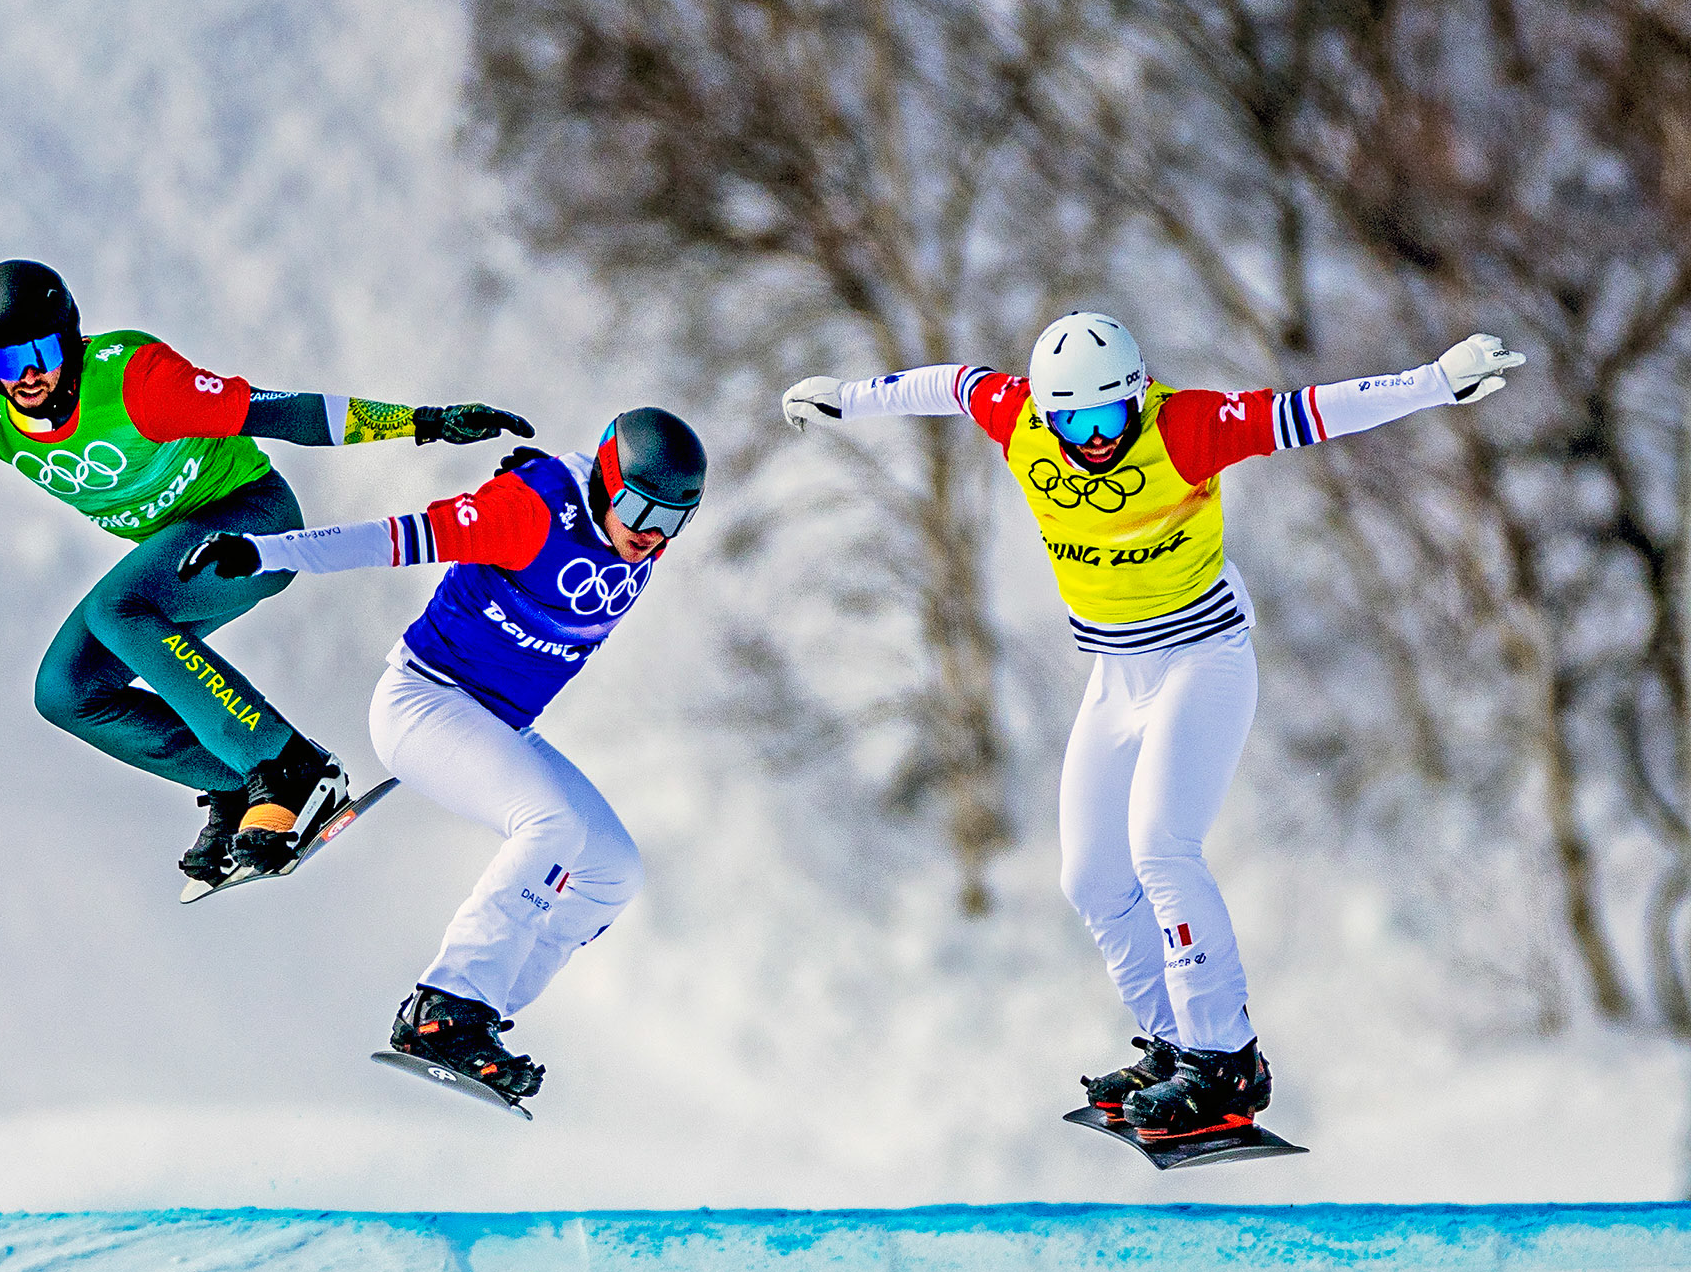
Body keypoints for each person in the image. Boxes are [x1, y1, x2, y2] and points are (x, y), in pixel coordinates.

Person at [781, 315, 1523, 1141]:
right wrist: (848, 399)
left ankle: (1225, 1058)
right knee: (1090, 877)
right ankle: (1176, 1044)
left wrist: (1433, 380)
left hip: (1202, 659)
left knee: (1161, 849)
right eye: (1073, 424)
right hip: (1116, 676)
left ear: (1137, 399)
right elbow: (949, 384)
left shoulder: (1185, 428)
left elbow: (1315, 409)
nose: (1091, 441)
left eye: (1107, 420)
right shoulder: (1021, 415)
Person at [178, 406, 707, 1104]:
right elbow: (388, 539)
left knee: (611, 869)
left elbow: (597, 490)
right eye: (639, 507)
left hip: (497, 724)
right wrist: (265, 550)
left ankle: (479, 1014)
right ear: (610, 483)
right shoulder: (529, 510)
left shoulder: (624, 523)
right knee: (551, 825)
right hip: (423, 703)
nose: (648, 534)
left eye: (672, 522)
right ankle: (445, 1007)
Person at [0, 258, 533, 885]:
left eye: (44, 350)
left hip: (251, 523)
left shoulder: (140, 385)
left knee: (115, 611)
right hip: (182, 551)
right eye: (8, 363)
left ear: (71, 337)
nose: (32, 375)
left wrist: (423, 422)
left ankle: (288, 768)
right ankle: (237, 784)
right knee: (66, 692)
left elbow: (280, 413)